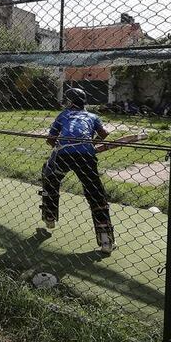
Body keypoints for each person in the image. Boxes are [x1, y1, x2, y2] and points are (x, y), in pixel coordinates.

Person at [41, 87, 115, 254]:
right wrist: (91, 144)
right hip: (86, 157)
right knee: (96, 194)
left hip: (64, 154)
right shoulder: (92, 116)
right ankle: (106, 240)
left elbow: (50, 140)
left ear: (69, 102)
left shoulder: (63, 115)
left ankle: (50, 216)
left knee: (50, 178)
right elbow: (104, 133)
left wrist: (58, 148)